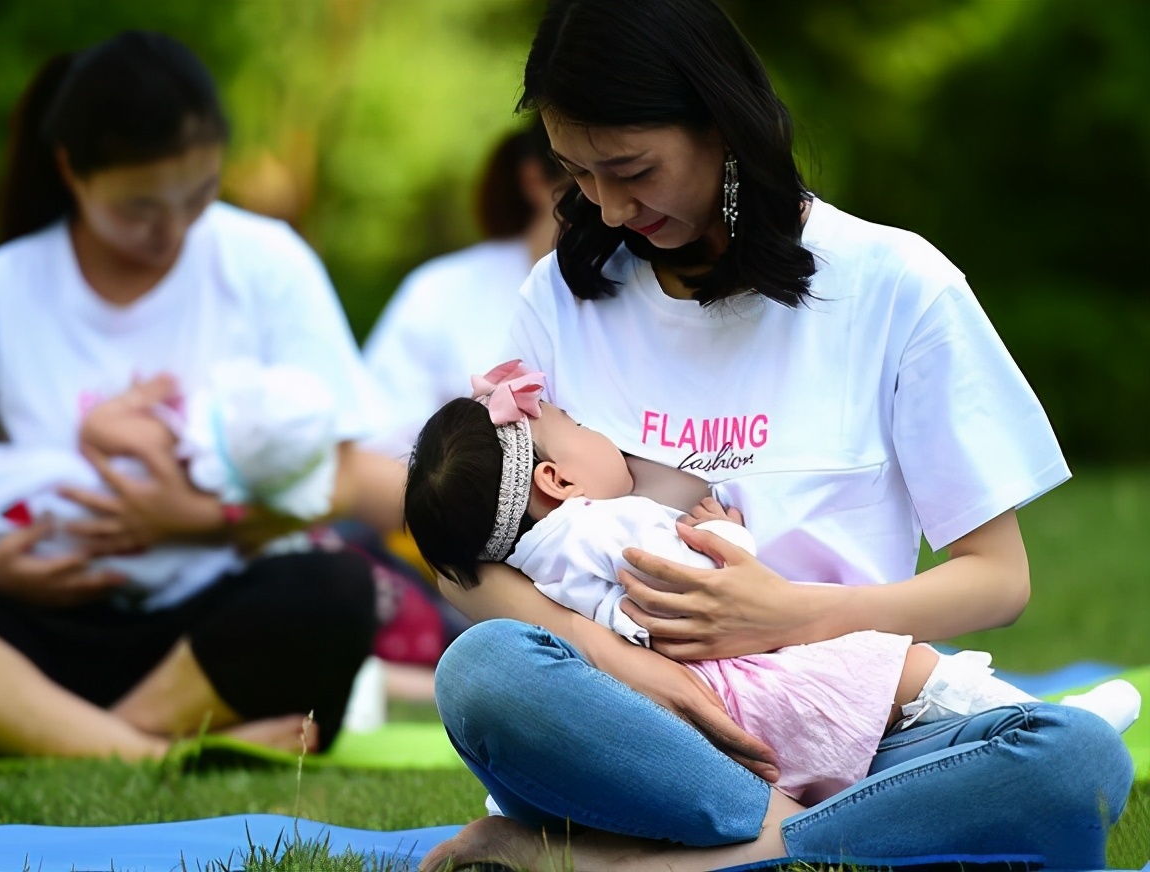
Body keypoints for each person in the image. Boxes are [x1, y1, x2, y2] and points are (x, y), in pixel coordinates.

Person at [416, 2, 1137, 870]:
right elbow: (468, 556)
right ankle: (829, 841)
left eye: (632, 170)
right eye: (579, 175)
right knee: (482, 671)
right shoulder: (561, 299)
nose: (607, 208)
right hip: (643, 738)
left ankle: (639, 859)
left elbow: (998, 580)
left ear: (722, 124)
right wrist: (639, 671)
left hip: (862, 733)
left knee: (1075, 760)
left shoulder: (897, 285)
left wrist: (793, 615)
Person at [0, 31, 402, 761]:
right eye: (140, 208)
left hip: (204, 630)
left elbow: (338, 475)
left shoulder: (267, 263)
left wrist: (203, 522)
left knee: (334, 589)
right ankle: (143, 751)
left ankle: (20, 731)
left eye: (200, 195)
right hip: (40, 620)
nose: (172, 229)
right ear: (72, 172)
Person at [404, 363, 1140, 805]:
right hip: (738, 684)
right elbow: (697, 580)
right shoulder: (602, 525)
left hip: (680, 711)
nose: (604, 437)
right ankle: (1040, 724)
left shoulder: (541, 557)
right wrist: (728, 535)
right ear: (556, 480)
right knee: (906, 665)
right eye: (580, 427)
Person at [0, 363, 341, 609]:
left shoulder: (159, 440)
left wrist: (139, 398)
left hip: (39, 504)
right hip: (105, 573)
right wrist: (220, 519)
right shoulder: (223, 528)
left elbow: (95, 428)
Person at [361, 116, 565, 461]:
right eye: (584, 174)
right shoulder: (439, 292)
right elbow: (378, 446)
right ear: (535, 180)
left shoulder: (650, 293)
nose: (613, 202)